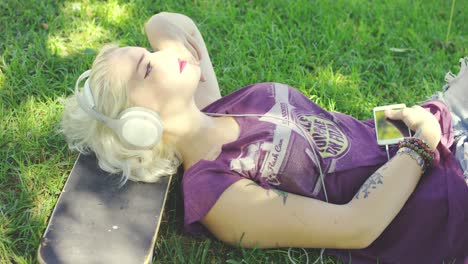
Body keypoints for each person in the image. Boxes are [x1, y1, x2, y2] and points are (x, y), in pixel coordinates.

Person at [61, 12, 468, 264]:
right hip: (443, 193)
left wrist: (156, 24)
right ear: (141, 125)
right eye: (149, 68)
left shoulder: (212, 107)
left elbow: (177, 25)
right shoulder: (218, 195)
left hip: (432, 123)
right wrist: (421, 145)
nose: (169, 53)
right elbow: (356, 226)